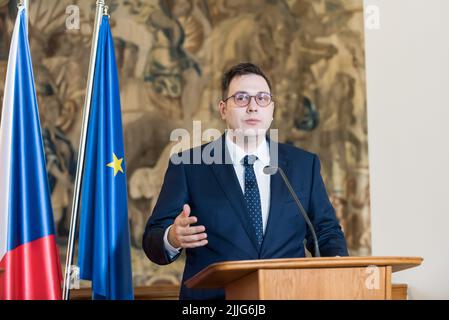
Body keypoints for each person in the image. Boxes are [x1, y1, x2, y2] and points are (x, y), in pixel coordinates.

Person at [142, 62, 348, 300]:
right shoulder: (188, 165)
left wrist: (338, 265)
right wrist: (172, 238)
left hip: (289, 294)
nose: (252, 107)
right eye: (241, 98)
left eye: (262, 98)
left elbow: (325, 230)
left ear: (271, 109)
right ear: (223, 109)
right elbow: (152, 240)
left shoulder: (303, 165)